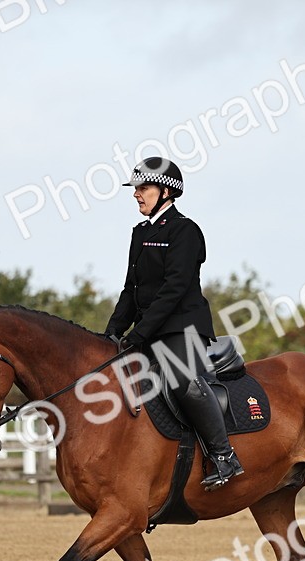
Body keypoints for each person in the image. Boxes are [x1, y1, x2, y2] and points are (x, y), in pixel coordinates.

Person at [103, 156, 244, 490]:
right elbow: (130, 289)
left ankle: (224, 456)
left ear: (166, 192)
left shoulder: (185, 231)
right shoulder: (140, 233)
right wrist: (112, 332)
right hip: (150, 330)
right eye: (136, 188)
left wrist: (140, 332)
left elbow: (174, 289)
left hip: (182, 327)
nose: (136, 194)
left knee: (182, 380)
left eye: (143, 187)